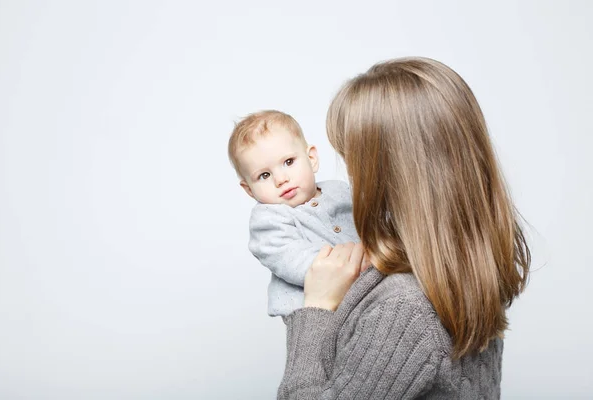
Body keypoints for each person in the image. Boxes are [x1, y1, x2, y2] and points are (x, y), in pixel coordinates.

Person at [277, 57, 531, 399]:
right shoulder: (467, 266)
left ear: (388, 173)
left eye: (354, 160)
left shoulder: (404, 308)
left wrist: (316, 309)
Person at [227, 110, 363, 317]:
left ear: (311, 159)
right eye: (264, 175)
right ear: (249, 189)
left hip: (361, 291)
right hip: (316, 308)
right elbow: (296, 260)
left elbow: (370, 221)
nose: (281, 179)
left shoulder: (339, 190)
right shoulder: (267, 221)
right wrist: (354, 265)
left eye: (288, 162)